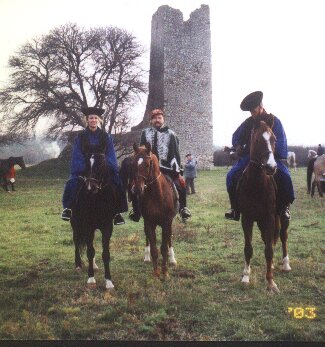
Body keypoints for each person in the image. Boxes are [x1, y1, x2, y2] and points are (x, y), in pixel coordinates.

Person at [225, 91, 295, 221]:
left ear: (261, 106)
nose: (253, 113)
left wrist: (274, 154)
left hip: (270, 156)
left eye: (254, 110)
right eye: (251, 111)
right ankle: (235, 209)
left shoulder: (274, 121)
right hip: (250, 158)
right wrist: (239, 146)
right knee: (231, 175)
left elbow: (280, 140)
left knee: (286, 176)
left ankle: (284, 207)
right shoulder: (248, 123)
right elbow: (236, 137)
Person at [61, 106, 127, 225]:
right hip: (85, 168)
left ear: (99, 120)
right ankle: (68, 208)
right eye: (91, 118)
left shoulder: (105, 136)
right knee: (72, 182)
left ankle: (117, 213)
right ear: (87, 120)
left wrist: (108, 166)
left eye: (95, 118)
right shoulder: (80, 137)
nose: (93, 120)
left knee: (117, 182)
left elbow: (110, 153)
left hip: (102, 168)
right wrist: (81, 167)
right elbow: (77, 153)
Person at [129, 108, 191, 222]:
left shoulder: (171, 134)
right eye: (154, 118)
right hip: (148, 169)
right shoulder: (145, 132)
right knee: (133, 185)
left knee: (181, 183)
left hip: (166, 168)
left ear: (163, 119)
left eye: (159, 118)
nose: (157, 120)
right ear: (151, 121)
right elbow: (141, 150)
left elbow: (175, 153)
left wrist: (177, 169)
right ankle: (136, 210)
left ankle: (183, 209)